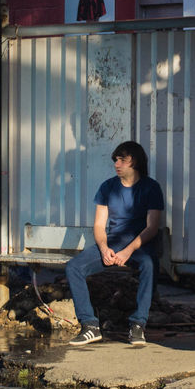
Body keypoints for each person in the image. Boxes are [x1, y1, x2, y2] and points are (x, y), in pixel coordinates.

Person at [66, 140, 164, 347]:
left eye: (122, 159)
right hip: (113, 243)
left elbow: (152, 228)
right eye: (115, 160)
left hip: (139, 246)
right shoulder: (107, 187)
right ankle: (89, 326)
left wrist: (128, 251)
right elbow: (99, 226)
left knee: (149, 265)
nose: (117, 164)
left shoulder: (151, 187)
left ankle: (138, 325)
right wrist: (104, 249)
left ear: (135, 162)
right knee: (73, 267)